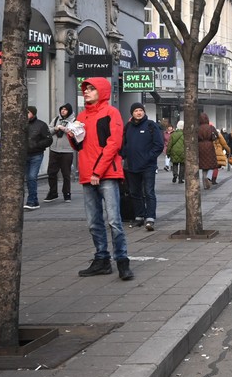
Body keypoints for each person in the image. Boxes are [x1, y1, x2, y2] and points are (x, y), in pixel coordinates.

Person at [70, 77, 133, 281]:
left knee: (114, 221)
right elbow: (80, 147)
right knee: (93, 222)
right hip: (88, 174)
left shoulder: (111, 113)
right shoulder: (81, 116)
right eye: (85, 89)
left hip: (105, 174)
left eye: (91, 89)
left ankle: (122, 261)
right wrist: (72, 134)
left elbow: (113, 144)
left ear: (102, 91)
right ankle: (102, 259)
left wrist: (98, 171)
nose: (86, 92)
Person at [121, 103, 164, 232]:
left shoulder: (151, 125)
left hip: (148, 166)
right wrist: (124, 155)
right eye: (136, 111)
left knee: (149, 192)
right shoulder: (128, 126)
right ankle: (139, 216)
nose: (139, 113)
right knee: (135, 192)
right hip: (132, 166)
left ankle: (150, 217)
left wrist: (148, 157)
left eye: (141, 110)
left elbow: (159, 145)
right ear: (132, 113)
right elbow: (124, 144)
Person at [24, 107, 52, 210]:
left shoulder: (41, 125)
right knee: (29, 178)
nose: (26, 114)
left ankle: (31, 201)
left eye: (28, 112)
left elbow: (49, 140)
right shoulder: (22, 124)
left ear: (33, 114)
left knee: (32, 177)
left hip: (36, 154)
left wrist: (36, 145)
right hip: (25, 155)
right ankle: (34, 201)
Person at [46, 103, 75, 202]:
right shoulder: (55, 120)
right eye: (62, 109)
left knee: (66, 174)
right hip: (54, 150)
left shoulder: (74, 121)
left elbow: (76, 134)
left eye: (65, 110)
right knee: (51, 172)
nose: (63, 111)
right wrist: (55, 128)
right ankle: (53, 193)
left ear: (69, 111)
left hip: (67, 151)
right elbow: (48, 132)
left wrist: (66, 130)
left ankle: (67, 194)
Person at [195, 113, 228, 189]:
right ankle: (208, 177)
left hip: (200, 147)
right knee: (211, 165)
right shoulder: (211, 127)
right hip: (209, 146)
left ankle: (204, 184)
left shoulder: (198, 128)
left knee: (203, 166)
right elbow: (216, 136)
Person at [167, 119, 185, 183]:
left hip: (174, 151)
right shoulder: (185, 134)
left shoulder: (173, 134)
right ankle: (180, 178)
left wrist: (168, 153)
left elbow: (170, 144)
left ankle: (175, 174)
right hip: (183, 151)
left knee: (175, 164)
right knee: (182, 165)